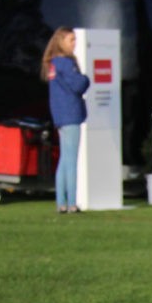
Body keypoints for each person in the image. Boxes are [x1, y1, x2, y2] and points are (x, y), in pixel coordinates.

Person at [42, 27, 89, 213]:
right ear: (62, 42)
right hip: (70, 113)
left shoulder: (53, 63)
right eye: (71, 40)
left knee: (63, 160)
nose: (74, 44)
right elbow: (78, 84)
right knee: (71, 161)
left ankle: (61, 202)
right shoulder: (66, 63)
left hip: (59, 114)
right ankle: (72, 203)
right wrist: (85, 78)